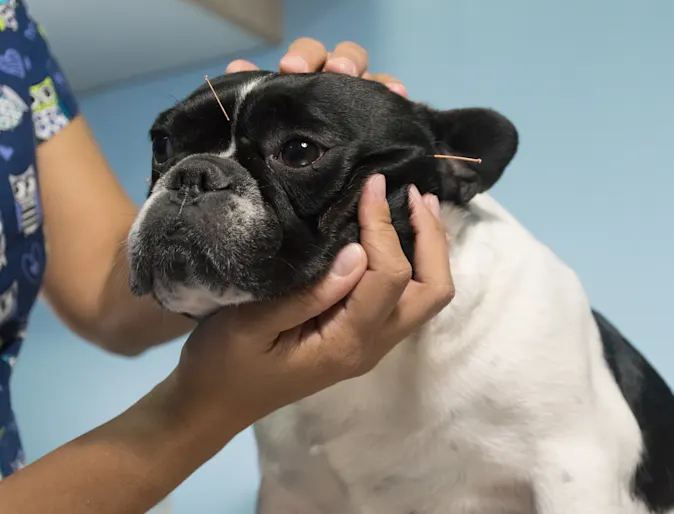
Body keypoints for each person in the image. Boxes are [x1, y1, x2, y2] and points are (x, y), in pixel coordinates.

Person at [0, 0, 454, 512]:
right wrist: (198, 410)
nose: (189, 181)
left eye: (300, 152)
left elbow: (108, 306)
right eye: (172, 149)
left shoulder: (10, 28)